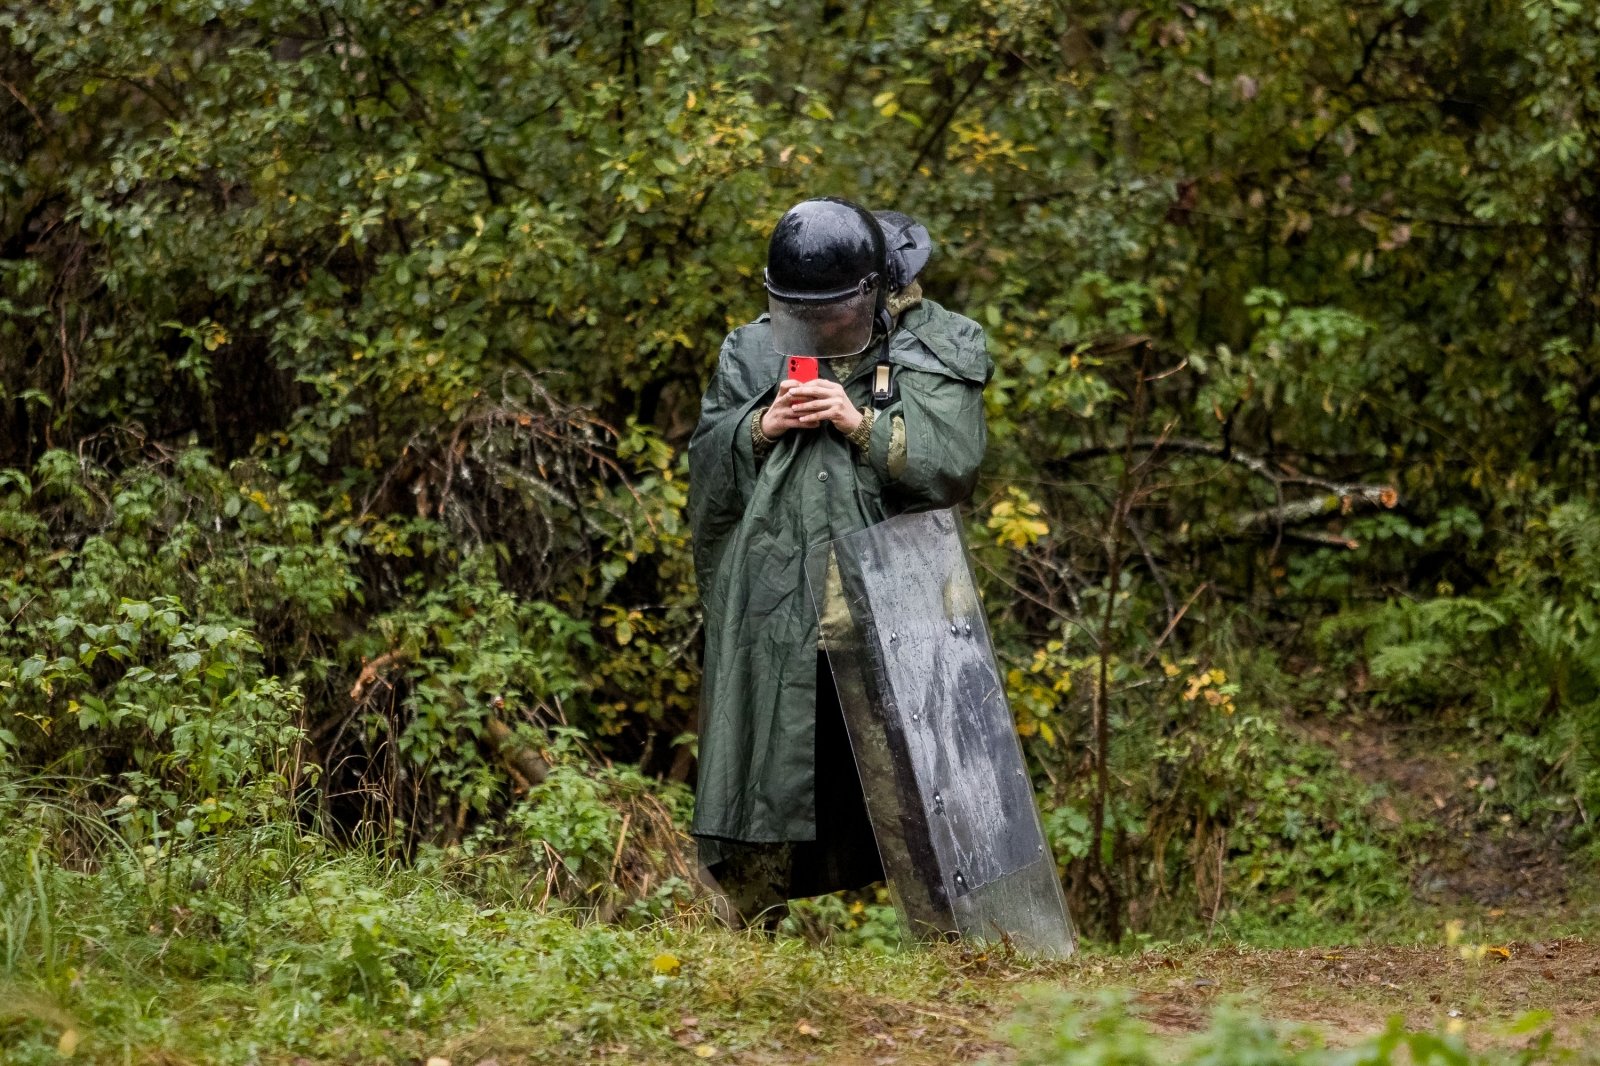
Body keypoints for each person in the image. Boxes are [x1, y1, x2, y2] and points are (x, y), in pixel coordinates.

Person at [686, 197, 993, 926]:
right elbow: (706, 464)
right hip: (779, 610)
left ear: (875, 290)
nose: (820, 328)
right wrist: (759, 426)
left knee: (923, 781)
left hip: (895, 610)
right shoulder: (750, 351)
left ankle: (965, 940)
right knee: (767, 768)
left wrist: (861, 424)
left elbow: (952, 464)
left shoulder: (937, 344)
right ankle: (749, 925)